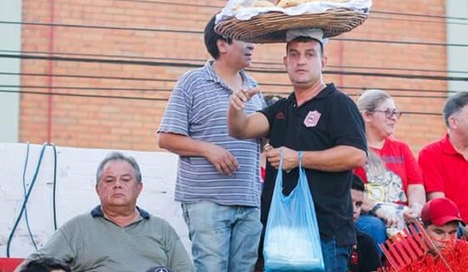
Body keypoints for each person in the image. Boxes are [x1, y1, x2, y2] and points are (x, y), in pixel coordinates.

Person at [228, 28, 368, 272]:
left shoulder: (339, 104)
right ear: (285, 62)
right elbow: (241, 129)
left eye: (309, 54)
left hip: (325, 232)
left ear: (323, 61)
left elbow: (356, 154)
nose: (301, 61)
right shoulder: (283, 107)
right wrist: (236, 108)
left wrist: (298, 158)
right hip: (282, 232)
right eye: (294, 55)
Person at [157, 14, 263, 272]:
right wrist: (209, 149)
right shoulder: (192, 82)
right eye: (243, 37)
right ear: (222, 44)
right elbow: (166, 137)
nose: (251, 45)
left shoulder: (253, 87)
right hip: (207, 201)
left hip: (249, 201)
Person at [19, 152, 193, 272]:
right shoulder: (77, 228)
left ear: (139, 188)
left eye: (125, 179)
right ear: (97, 189)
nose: (117, 185)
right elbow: (31, 265)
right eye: (109, 180)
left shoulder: (162, 229)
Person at [354, 89, 426, 252]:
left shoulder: (402, 149)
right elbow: (349, 190)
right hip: (369, 214)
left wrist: (416, 207)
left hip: (401, 215)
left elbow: (415, 185)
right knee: (374, 227)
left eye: (395, 113)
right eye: (387, 112)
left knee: (424, 229)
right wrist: (379, 211)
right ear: (367, 115)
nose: (394, 117)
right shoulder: (354, 150)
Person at [418, 91, 468, 241]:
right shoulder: (431, 153)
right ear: (453, 122)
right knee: (448, 232)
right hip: (454, 229)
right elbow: (440, 210)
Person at [349, 174, 382, 272]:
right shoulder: (321, 239)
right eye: (348, 202)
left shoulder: (365, 243)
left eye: (358, 204)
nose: (354, 210)